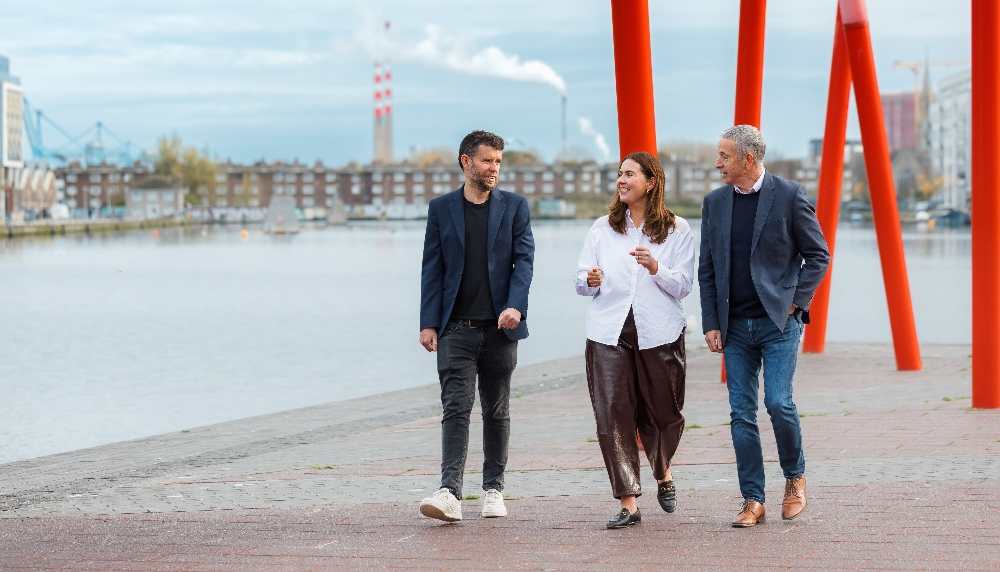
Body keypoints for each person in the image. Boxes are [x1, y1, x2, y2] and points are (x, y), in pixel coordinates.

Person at [698, 125, 830, 528]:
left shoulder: (789, 196)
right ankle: (753, 499)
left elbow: (818, 256)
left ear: (748, 158)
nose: (717, 163)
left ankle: (794, 477)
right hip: (734, 327)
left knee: (778, 402)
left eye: (724, 156)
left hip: (778, 323)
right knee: (741, 413)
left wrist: (795, 302)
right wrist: (710, 322)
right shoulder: (715, 203)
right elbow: (707, 268)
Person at [417, 130, 535, 523]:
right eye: (487, 160)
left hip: (501, 330)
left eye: (498, 161)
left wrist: (516, 306)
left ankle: (493, 489)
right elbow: (432, 269)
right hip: (455, 328)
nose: (494, 168)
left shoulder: (515, 207)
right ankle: (449, 492)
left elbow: (524, 262)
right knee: (455, 407)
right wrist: (428, 323)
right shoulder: (441, 209)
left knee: (496, 410)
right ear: (466, 162)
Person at [576, 150, 695, 529]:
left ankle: (662, 471)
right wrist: (589, 280)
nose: (621, 180)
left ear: (651, 181)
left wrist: (656, 267)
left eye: (629, 174)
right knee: (612, 414)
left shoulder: (678, 229)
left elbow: (683, 286)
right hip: (607, 333)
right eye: (620, 174)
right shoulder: (602, 228)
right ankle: (628, 502)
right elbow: (581, 280)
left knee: (664, 414)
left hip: (660, 333)